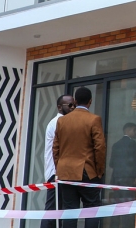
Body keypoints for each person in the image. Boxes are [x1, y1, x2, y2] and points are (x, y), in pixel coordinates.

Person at [53, 86, 106, 228]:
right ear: (90, 101)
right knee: (92, 209)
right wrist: (99, 171)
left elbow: (55, 148)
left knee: (70, 210)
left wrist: (60, 167)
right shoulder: (94, 119)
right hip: (87, 170)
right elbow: (99, 148)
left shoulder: (62, 121)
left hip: (65, 172)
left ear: (75, 101)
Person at [41, 94, 75, 228]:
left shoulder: (63, 122)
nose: (73, 108)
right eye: (70, 105)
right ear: (60, 107)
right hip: (56, 173)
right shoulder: (57, 122)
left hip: (60, 173)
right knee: (51, 211)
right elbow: (61, 148)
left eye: (75, 105)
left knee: (58, 211)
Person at [109, 122, 136, 228]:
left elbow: (111, 164)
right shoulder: (132, 144)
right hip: (128, 181)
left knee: (116, 206)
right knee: (128, 206)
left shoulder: (115, 145)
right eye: (134, 130)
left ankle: (114, 226)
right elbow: (135, 162)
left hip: (116, 180)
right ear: (129, 130)